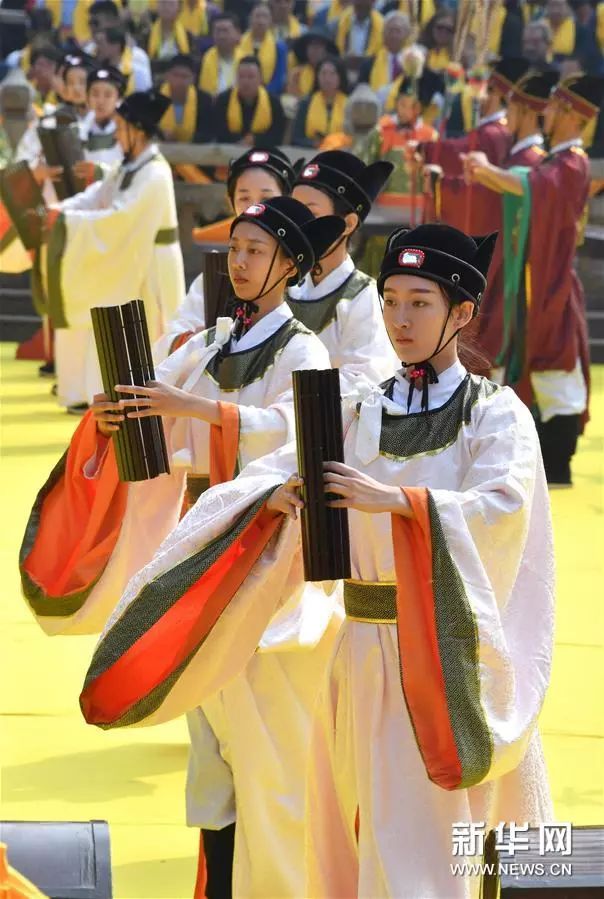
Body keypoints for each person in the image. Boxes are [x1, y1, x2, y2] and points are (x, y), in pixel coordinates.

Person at [80, 222, 555, 899]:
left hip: (444, 651)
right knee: (353, 824)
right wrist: (276, 498)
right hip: (359, 648)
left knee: (427, 833)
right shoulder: (360, 406)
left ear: (462, 313)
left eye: (420, 302)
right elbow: (276, 467)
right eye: (391, 301)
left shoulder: (495, 413)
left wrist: (401, 503)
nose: (400, 319)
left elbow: (504, 508)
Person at [21, 198, 345, 899]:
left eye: (256, 251)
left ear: (290, 266)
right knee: (213, 747)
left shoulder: (304, 349)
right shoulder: (216, 341)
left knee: (267, 748)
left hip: (265, 557)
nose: (239, 262)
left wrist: (195, 409)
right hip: (202, 550)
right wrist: (120, 414)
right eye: (236, 248)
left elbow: (299, 435)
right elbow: (161, 410)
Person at [464, 74, 604, 486]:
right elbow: (527, 186)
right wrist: (485, 173)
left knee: (555, 367)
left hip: (552, 285)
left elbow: (532, 187)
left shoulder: (572, 163)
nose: (548, 112)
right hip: (536, 281)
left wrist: (487, 170)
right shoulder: (556, 162)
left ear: (573, 116)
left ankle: (558, 463)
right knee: (537, 364)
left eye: (557, 107)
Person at [33, 89, 185, 413]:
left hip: (154, 264)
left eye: (121, 127)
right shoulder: (128, 166)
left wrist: (66, 221)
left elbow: (121, 217)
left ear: (138, 131)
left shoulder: (155, 172)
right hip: (134, 254)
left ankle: (152, 403)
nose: (116, 134)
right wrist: (59, 211)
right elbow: (96, 196)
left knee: (152, 330)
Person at [155, 146, 297, 360]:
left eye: (266, 198)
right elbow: (167, 343)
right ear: (231, 203)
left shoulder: (300, 274)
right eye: (244, 198)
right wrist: (200, 340)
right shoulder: (216, 276)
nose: (255, 208)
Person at [290, 149, 399, 395]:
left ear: (348, 224)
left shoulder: (364, 297)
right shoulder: (281, 285)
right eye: (294, 212)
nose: (299, 225)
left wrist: (289, 397)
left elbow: (365, 382)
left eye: (311, 214)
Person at [422, 57, 530, 176]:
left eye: (481, 86)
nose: (474, 92)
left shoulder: (494, 132)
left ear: (496, 92)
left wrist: (424, 149)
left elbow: (459, 151)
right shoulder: (493, 128)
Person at [212, 55, 286, 146]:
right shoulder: (223, 100)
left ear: (260, 79)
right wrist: (240, 141)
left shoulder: (273, 103)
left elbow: (277, 136)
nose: (245, 81)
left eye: (251, 77)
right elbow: (218, 133)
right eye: (241, 76)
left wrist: (255, 140)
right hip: (229, 150)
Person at [86, 1, 153, 93]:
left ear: (113, 22)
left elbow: (145, 93)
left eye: (95, 23)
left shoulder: (138, 56)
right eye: (89, 23)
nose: (92, 27)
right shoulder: (87, 51)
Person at [291, 56, 350, 148]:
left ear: (340, 77)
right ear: (317, 76)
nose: (327, 78)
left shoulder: (350, 104)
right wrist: (315, 144)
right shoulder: (306, 103)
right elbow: (296, 138)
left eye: (332, 74)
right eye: (323, 73)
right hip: (311, 152)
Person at [359, 10, 412, 104]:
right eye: (390, 30)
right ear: (383, 34)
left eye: (398, 31)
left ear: (407, 35)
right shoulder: (369, 64)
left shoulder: (415, 62)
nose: (394, 35)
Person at [158, 54, 214, 143]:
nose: (179, 81)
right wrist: (160, 135)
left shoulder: (204, 100)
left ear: (193, 79)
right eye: (175, 75)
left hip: (193, 149)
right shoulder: (153, 96)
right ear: (167, 76)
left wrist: (186, 137)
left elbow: (207, 133)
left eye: (184, 76)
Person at [82, 65, 127, 168]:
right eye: (95, 94)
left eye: (108, 95)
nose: (100, 101)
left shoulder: (128, 132)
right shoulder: (79, 131)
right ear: (87, 98)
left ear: (119, 99)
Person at [238, 2, 288, 94]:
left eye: (265, 17)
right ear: (250, 19)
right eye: (257, 16)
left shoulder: (279, 46)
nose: (260, 21)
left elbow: (279, 79)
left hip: (269, 93)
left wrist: (262, 94)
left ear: (271, 21)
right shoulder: (238, 42)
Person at [198, 13, 242, 96]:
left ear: (238, 33)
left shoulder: (246, 61)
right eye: (218, 31)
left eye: (225, 31)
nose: (221, 36)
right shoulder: (202, 60)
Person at [288, 26, 339, 98]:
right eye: (311, 45)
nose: (314, 49)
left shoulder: (335, 74)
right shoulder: (296, 75)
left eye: (319, 45)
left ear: (327, 50)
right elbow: (293, 98)